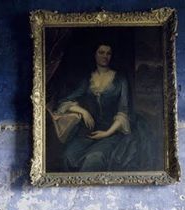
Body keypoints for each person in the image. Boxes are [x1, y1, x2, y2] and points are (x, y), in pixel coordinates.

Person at [53, 43, 135, 172]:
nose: (105, 56)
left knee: (94, 158)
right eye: (101, 52)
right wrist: (83, 111)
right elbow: (65, 102)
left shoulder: (120, 80)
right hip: (87, 133)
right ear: (95, 55)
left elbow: (123, 111)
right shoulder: (88, 79)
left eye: (108, 53)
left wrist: (106, 133)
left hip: (111, 132)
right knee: (68, 156)